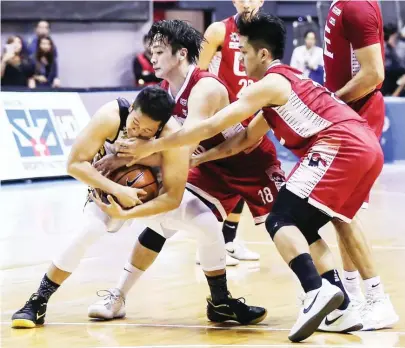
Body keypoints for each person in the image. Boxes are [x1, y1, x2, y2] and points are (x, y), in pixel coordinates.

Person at [115, 13, 383, 342]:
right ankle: (341, 309)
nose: (240, 60)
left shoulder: (268, 84)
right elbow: (244, 139)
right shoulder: (285, 85)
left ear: (263, 55)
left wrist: (150, 148)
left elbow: (210, 126)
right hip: (365, 146)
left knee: (280, 219)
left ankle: (316, 291)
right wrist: (206, 156)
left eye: (243, 53)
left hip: (341, 146)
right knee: (304, 226)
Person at [11, 86, 267, 329]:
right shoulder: (111, 116)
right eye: (134, 124)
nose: (136, 132)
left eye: (146, 132)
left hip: (150, 196)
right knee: (88, 231)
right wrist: (118, 190)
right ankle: (37, 301)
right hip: (109, 192)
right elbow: (75, 165)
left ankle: (220, 302)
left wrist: (128, 213)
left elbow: (173, 198)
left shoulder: (173, 135)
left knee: (207, 224)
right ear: (131, 108)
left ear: (160, 127)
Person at [86, 19, 282, 321]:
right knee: (169, 224)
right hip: (207, 167)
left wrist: (127, 160)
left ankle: (322, 290)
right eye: (151, 51)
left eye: (160, 51)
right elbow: (160, 149)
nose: (152, 58)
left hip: (248, 162)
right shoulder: (162, 93)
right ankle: (121, 296)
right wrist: (117, 155)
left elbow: (184, 147)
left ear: (181, 54)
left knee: (289, 224)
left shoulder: (204, 86)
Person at [323, 0, 399, 330]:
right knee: (338, 211)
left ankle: (377, 299)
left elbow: (374, 73)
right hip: (348, 113)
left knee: (341, 210)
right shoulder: (344, 4)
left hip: (356, 114)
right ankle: (352, 295)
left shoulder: (357, 7)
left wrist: (332, 102)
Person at [197, 0, 265, 264]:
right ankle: (207, 247)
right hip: (221, 117)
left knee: (242, 182)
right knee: (215, 184)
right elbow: (197, 73)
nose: (248, 2)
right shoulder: (217, 31)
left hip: (253, 117)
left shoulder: (266, 32)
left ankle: (229, 240)